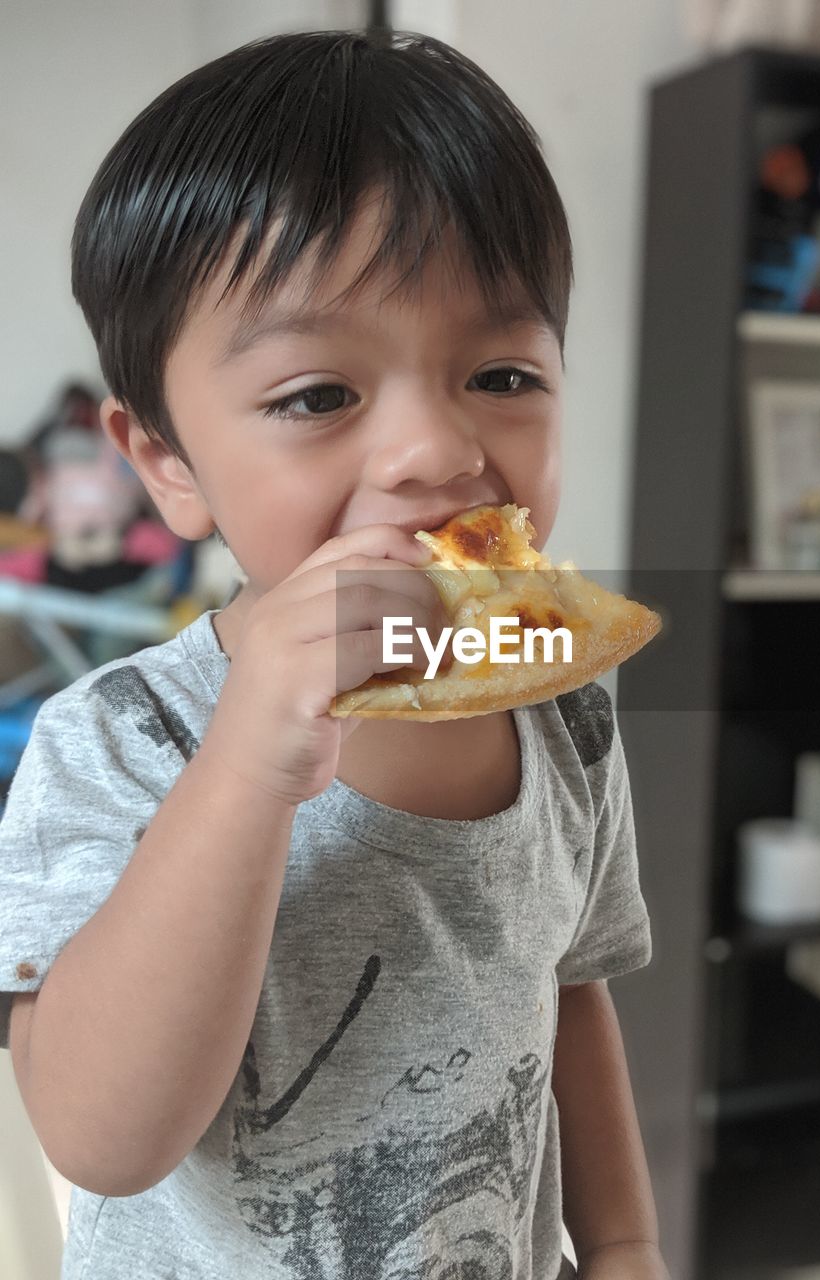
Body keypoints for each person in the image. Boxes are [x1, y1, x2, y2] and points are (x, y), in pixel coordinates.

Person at [0, 30, 666, 1280]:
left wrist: (625, 1243)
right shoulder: (118, 741)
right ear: (167, 462)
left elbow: (569, 990)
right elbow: (102, 1136)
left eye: (502, 371)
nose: (433, 449)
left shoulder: (563, 712)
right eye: (318, 394)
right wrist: (250, 758)